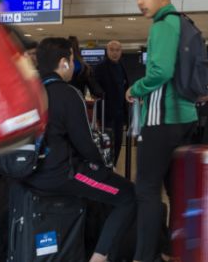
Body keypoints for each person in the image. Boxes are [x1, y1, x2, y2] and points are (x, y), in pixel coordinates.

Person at [27, 37, 135, 262]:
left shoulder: (27, 91)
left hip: (30, 173)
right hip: (61, 173)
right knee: (128, 195)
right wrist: (104, 168)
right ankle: (98, 258)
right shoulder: (67, 93)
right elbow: (85, 145)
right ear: (64, 63)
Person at [126, 0, 198, 262]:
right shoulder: (184, 22)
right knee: (177, 190)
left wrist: (135, 88)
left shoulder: (162, 25)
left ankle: (145, 256)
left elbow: (160, 72)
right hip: (186, 117)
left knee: (147, 191)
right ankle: (176, 249)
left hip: (161, 120)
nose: (140, 2)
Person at [95, 40, 130, 166]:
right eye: (112, 50)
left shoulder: (122, 66)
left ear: (121, 51)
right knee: (107, 142)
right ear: (107, 51)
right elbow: (96, 90)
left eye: (117, 50)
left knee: (119, 141)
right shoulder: (100, 68)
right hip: (106, 113)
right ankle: (107, 167)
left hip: (120, 113)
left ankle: (113, 165)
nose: (115, 53)